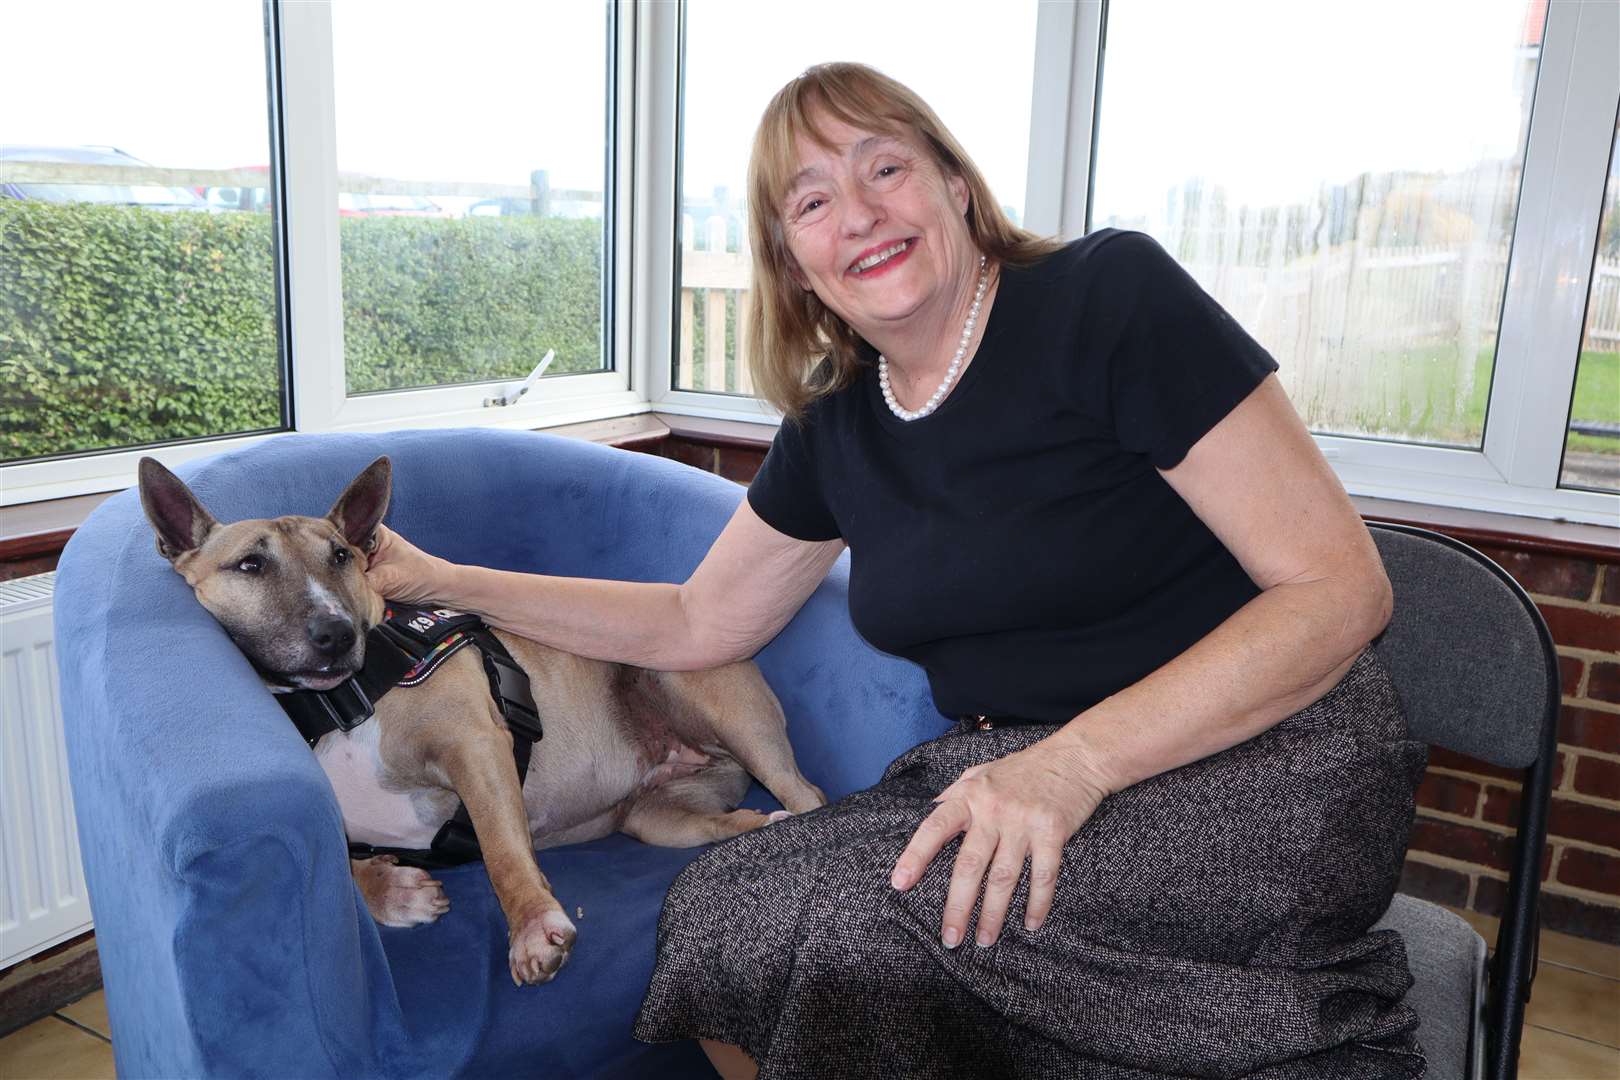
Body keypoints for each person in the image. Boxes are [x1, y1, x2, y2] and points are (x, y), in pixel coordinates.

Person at [365, 63, 1427, 1080]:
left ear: (954, 184)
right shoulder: (838, 423)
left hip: (1266, 754)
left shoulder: (1107, 299)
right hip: (1017, 767)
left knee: (882, 935)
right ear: (792, 259)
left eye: (884, 167)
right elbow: (699, 620)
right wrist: (444, 578)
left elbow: (1340, 589)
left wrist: (1076, 766)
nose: (860, 214)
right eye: (812, 201)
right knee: (722, 914)